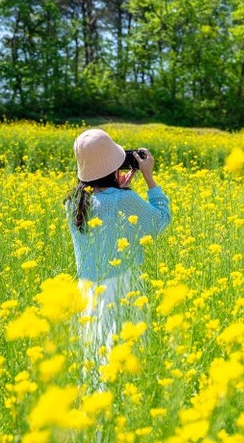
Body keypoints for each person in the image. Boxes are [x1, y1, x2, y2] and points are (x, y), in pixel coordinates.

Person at [65, 128, 171, 367]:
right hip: (121, 289)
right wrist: (148, 179)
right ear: (115, 166)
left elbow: (105, 206)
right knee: (124, 358)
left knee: (94, 356)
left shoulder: (73, 202)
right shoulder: (122, 200)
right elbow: (159, 221)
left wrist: (118, 188)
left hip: (87, 292)